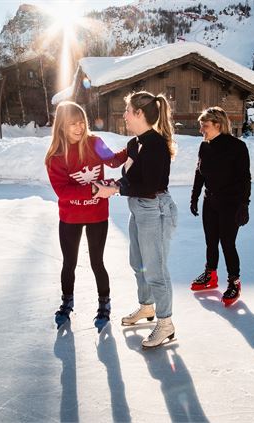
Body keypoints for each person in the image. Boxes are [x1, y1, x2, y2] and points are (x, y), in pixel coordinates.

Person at [94, 91, 178, 349]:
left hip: (156, 209)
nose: (125, 116)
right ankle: (146, 308)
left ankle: (165, 323)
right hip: (139, 208)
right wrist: (111, 184)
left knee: (156, 269)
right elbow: (132, 180)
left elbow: (151, 185)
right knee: (138, 263)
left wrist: (116, 190)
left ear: (140, 113)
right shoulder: (135, 143)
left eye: (128, 111)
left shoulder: (156, 145)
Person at [45, 101, 127, 332]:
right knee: (69, 263)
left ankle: (104, 303)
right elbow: (63, 191)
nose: (79, 127)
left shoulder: (94, 143)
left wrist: (134, 145)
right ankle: (66, 302)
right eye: (73, 123)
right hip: (70, 217)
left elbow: (113, 160)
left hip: (96, 214)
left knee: (96, 262)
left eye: (82, 122)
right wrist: (94, 189)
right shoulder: (56, 157)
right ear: (62, 125)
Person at [189, 107, 251, 307]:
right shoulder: (204, 146)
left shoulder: (237, 147)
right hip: (211, 201)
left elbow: (245, 179)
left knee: (227, 243)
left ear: (218, 124)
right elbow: (199, 173)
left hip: (230, 204)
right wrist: (194, 197)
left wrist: (244, 205)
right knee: (210, 241)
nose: (201, 130)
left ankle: (234, 281)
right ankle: (210, 275)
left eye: (204, 126)